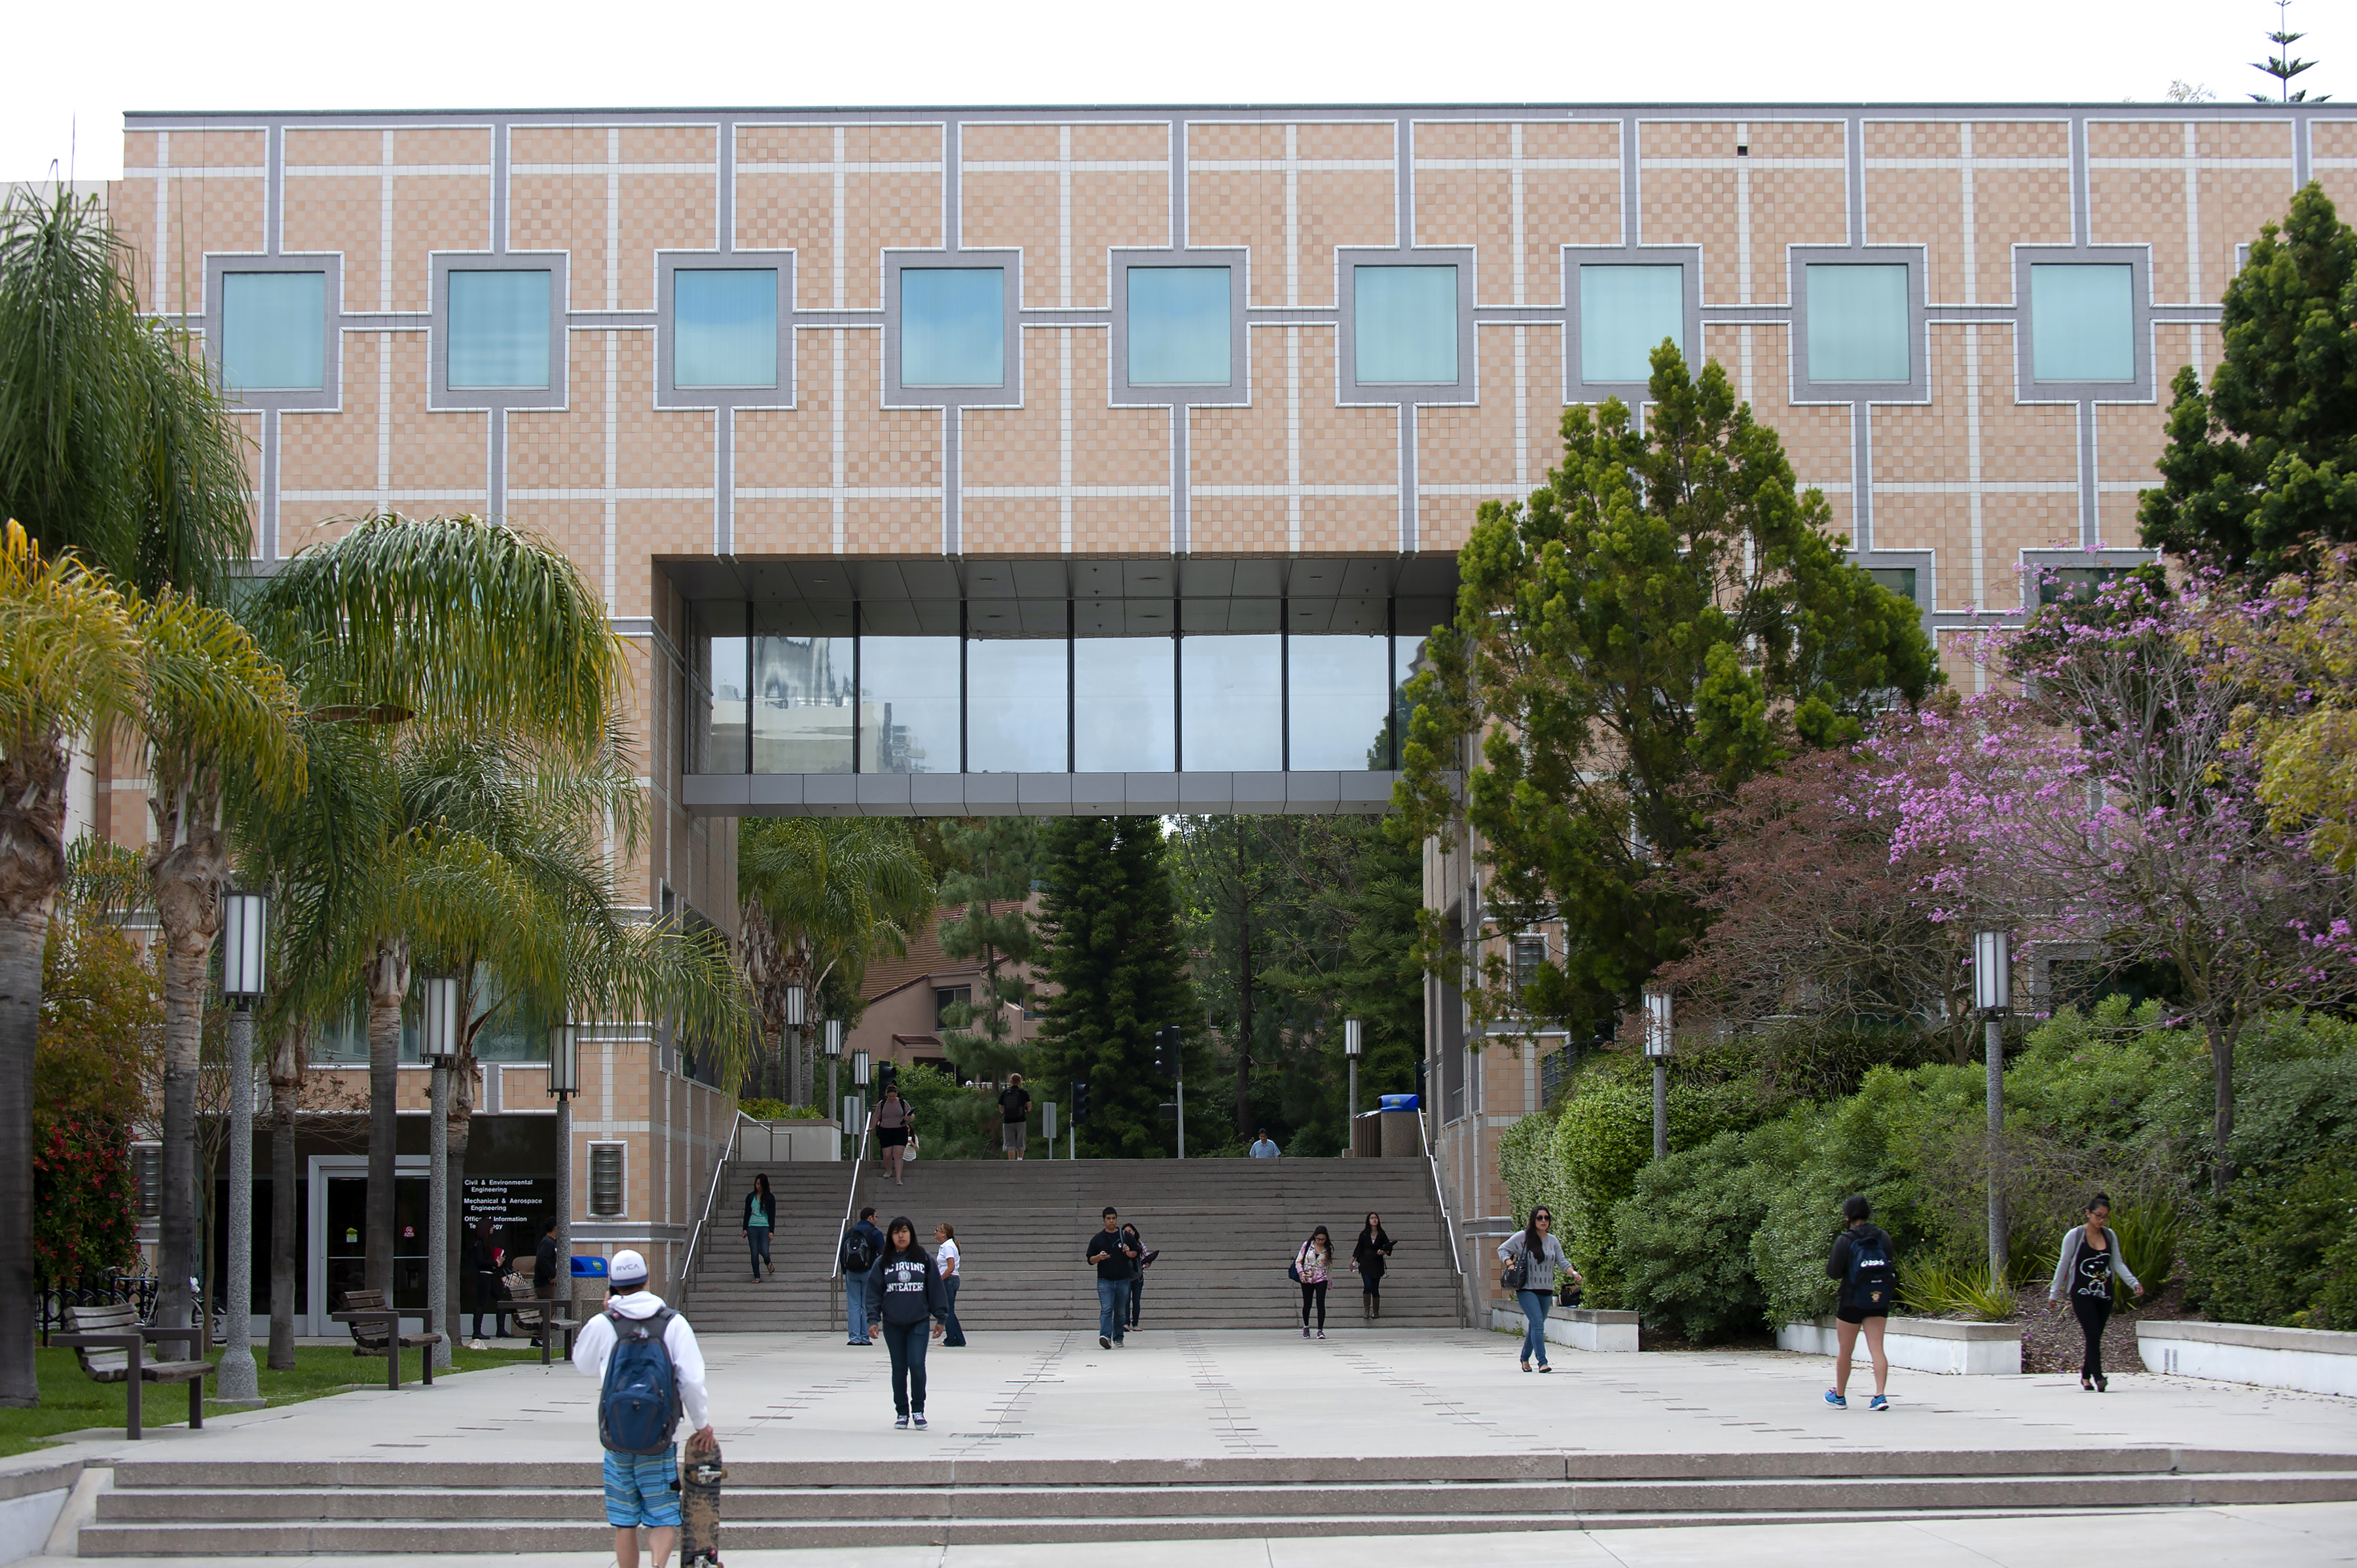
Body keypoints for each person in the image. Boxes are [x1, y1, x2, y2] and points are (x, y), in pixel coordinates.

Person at [572, 1249, 712, 1568]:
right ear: (647, 1280)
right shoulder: (672, 1323)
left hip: (616, 1438)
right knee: (662, 1514)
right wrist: (702, 1424)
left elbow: (582, 1364)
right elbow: (691, 1381)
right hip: (659, 1437)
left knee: (624, 1520)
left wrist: (606, 1313)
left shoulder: (604, 1323)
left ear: (613, 1285)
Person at [2048, 1192, 2143, 1393]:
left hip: (2105, 1294)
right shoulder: (2075, 1236)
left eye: (2105, 1216)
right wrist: (2054, 1293)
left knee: (2096, 1336)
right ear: (2088, 1213)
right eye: (2098, 1215)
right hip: (2081, 1292)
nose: (2101, 1220)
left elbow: (2116, 1262)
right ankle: (2099, 1376)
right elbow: (2063, 1264)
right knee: (2092, 1334)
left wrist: (2134, 1283)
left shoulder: (2110, 1236)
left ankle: (2085, 1376)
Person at [864, 1216, 949, 1427]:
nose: (901, 1236)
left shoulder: (924, 1259)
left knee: (917, 1366)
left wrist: (941, 1317)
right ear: (890, 1236)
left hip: (918, 1322)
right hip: (893, 1324)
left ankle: (918, 1410)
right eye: (896, 1232)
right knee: (899, 1368)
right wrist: (873, 1319)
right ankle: (902, 1412)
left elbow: (935, 1288)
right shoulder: (882, 1262)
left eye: (904, 1231)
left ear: (911, 1234)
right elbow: (873, 1292)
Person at [1825, 1194, 1897, 1410]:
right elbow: (1891, 1264)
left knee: (1845, 1352)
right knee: (1877, 1349)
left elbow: (1833, 1272)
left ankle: (1839, 1396)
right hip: (1878, 1299)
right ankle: (1880, 1396)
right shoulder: (1883, 1237)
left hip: (1851, 1301)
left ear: (1847, 1216)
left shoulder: (1845, 1240)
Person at [1498, 1207, 1576, 1371]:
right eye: (1540, 1218)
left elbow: (1562, 1261)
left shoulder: (1553, 1241)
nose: (1543, 1221)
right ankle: (1543, 1362)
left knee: (1536, 1325)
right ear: (1533, 1219)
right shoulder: (1523, 1237)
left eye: (1546, 1218)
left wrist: (1574, 1273)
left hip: (1546, 1290)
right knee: (1538, 1324)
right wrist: (1510, 1264)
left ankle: (1524, 1358)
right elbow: (1503, 1249)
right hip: (1527, 1289)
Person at [1086, 1207, 1136, 1349]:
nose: (1111, 1221)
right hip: (1105, 1280)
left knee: (1120, 1312)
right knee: (1107, 1309)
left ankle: (1118, 1337)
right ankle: (1105, 1336)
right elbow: (1090, 1260)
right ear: (1104, 1220)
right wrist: (1099, 1257)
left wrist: (1129, 1252)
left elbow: (1136, 1252)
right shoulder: (1098, 1239)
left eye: (1113, 1218)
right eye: (1108, 1219)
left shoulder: (1125, 1236)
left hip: (1123, 1280)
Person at [841, 1206, 885, 1346]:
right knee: (867, 1304)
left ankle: (854, 1338)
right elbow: (883, 1254)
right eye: (876, 1217)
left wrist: (845, 1270)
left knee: (853, 1304)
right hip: (869, 1272)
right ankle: (866, 1338)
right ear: (870, 1218)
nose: (877, 1220)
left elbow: (843, 1251)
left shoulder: (850, 1232)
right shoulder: (875, 1233)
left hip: (852, 1272)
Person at [462, 1218, 505, 1349]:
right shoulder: (479, 1244)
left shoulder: (485, 1243)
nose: (493, 1229)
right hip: (483, 1276)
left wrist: (495, 1264)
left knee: (501, 1299)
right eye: (491, 1227)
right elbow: (480, 1261)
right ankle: (477, 1331)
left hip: (489, 1276)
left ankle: (501, 1329)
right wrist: (494, 1263)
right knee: (482, 1302)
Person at [1351, 1212, 1395, 1322]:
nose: (1374, 1220)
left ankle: (1376, 1311)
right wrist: (1352, 1261)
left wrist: (1383, 1252)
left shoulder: (1382, 1234)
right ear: (1368, 1220)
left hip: (1377, 1262)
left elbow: (1389, 1247)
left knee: (1375, 1288)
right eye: (1372, 1218)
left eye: (1376, 1218)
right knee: (1368, 1285)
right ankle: (1367, 1310)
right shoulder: (1364, 1234)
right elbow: (1358, 1248)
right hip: (1365, 1262)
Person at [1295, 1226, 1335, 1339]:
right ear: (1315, 1237)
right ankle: (1306, 1326)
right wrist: (1301, 1274)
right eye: (1318, 1239)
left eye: (1323, 1240)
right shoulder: (1307, 1245)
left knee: (1320, 1303)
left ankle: (1320, 1329)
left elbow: (1329, 1266)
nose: (1321, 1242)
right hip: (1307, 1278)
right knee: (1307, 1303)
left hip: (1321, 1278)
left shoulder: (1328, 1249)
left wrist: (1330, 1281)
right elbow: (1298, 1261)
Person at [532, 1215, 564, 1347]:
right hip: (544, 1284)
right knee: (547, 1310)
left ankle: (542, 1336)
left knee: (549, 1310)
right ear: (555, 1229)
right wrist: (552, 1275)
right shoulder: (548, 1243)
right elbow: (542, 1260)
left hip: (547, 1283)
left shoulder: (552, 1243)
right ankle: (539, 1337)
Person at [873, 1084, 915, 1184]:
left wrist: (910, 1118)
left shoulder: (902, 1103)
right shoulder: (882, 1104)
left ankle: (898, 1178)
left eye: (894, 1096)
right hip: (885, 1130)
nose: (892, 1098)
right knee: (887, 1154)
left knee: (898, 1155)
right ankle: (888, 1171)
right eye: (890, 1096)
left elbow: (911, 1115)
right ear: (887, 1095)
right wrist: (872, 1127)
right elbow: (876, 1116)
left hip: (900, 1130)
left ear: (897, 1095)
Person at [935, 1222, 967, 1347]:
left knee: (947, 1310)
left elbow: (951, 1267)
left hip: (948, 1280)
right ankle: (959, 1338)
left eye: (937, 1230)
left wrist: (939, 1280)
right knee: (950, 1310)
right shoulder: (948, 1245)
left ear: (943, 1234)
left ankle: (950, 1339)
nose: (935, 1233)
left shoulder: (947, 1247)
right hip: (952, 1280)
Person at [741, 1173, 777, 1282]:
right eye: (757, 1184)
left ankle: (768, 1262)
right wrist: (745, 1228)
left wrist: (771, 1231)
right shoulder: (750, 1197)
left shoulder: (770, 1198)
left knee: (764, 1251)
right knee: (754, 1252)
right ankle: (757, 1276)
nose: (758, 1186)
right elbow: (747, 1213)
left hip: (764, 1226)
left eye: (760, 1184)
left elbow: (772, 1215)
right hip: (752, 1226)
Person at [1122, 1222, 1148, 1332]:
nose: (1129, 1233)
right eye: (1126, 1232)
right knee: (1126, 1300)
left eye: (1130, 1231)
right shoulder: (1121, 1245)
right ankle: (1126, 1323)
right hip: (1126, 1277)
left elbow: (1147, 1256)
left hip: (1138, 1276)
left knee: (1136, 1301)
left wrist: (1144, 1265)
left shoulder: (1139, 1244)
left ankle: (1136, 1324)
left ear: (1134, 1232)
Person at [998, 1074, 1032, 1161]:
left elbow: (1001, 1108)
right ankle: (1020, 1160)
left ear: (1011, 1081)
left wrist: (1006, 1114)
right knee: (1020, 1141)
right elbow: (1029, 1108)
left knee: (1010, 1143)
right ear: (1020, 1082)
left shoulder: (1005, 1093)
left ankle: (1012, 1162)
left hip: (1008, 1121)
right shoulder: (1024, 1093)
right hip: (1021, 1120)